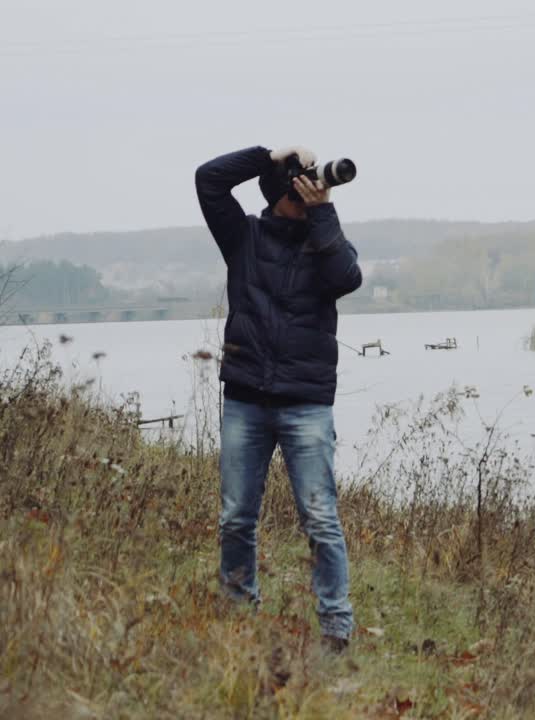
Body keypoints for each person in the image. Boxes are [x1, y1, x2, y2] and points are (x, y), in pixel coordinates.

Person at [195, 146, 362, 653]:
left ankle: (336, 628)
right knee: (237, 516)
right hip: (246, 397)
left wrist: (324, 211)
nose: (312, 183)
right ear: (280, 189)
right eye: (301, 180)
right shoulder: (243, 236)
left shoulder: (325, 237)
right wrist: (268, 152)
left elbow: (347, 279)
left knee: (320, 518)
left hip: (306, 402)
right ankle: (238, 611)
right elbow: (208, 180)